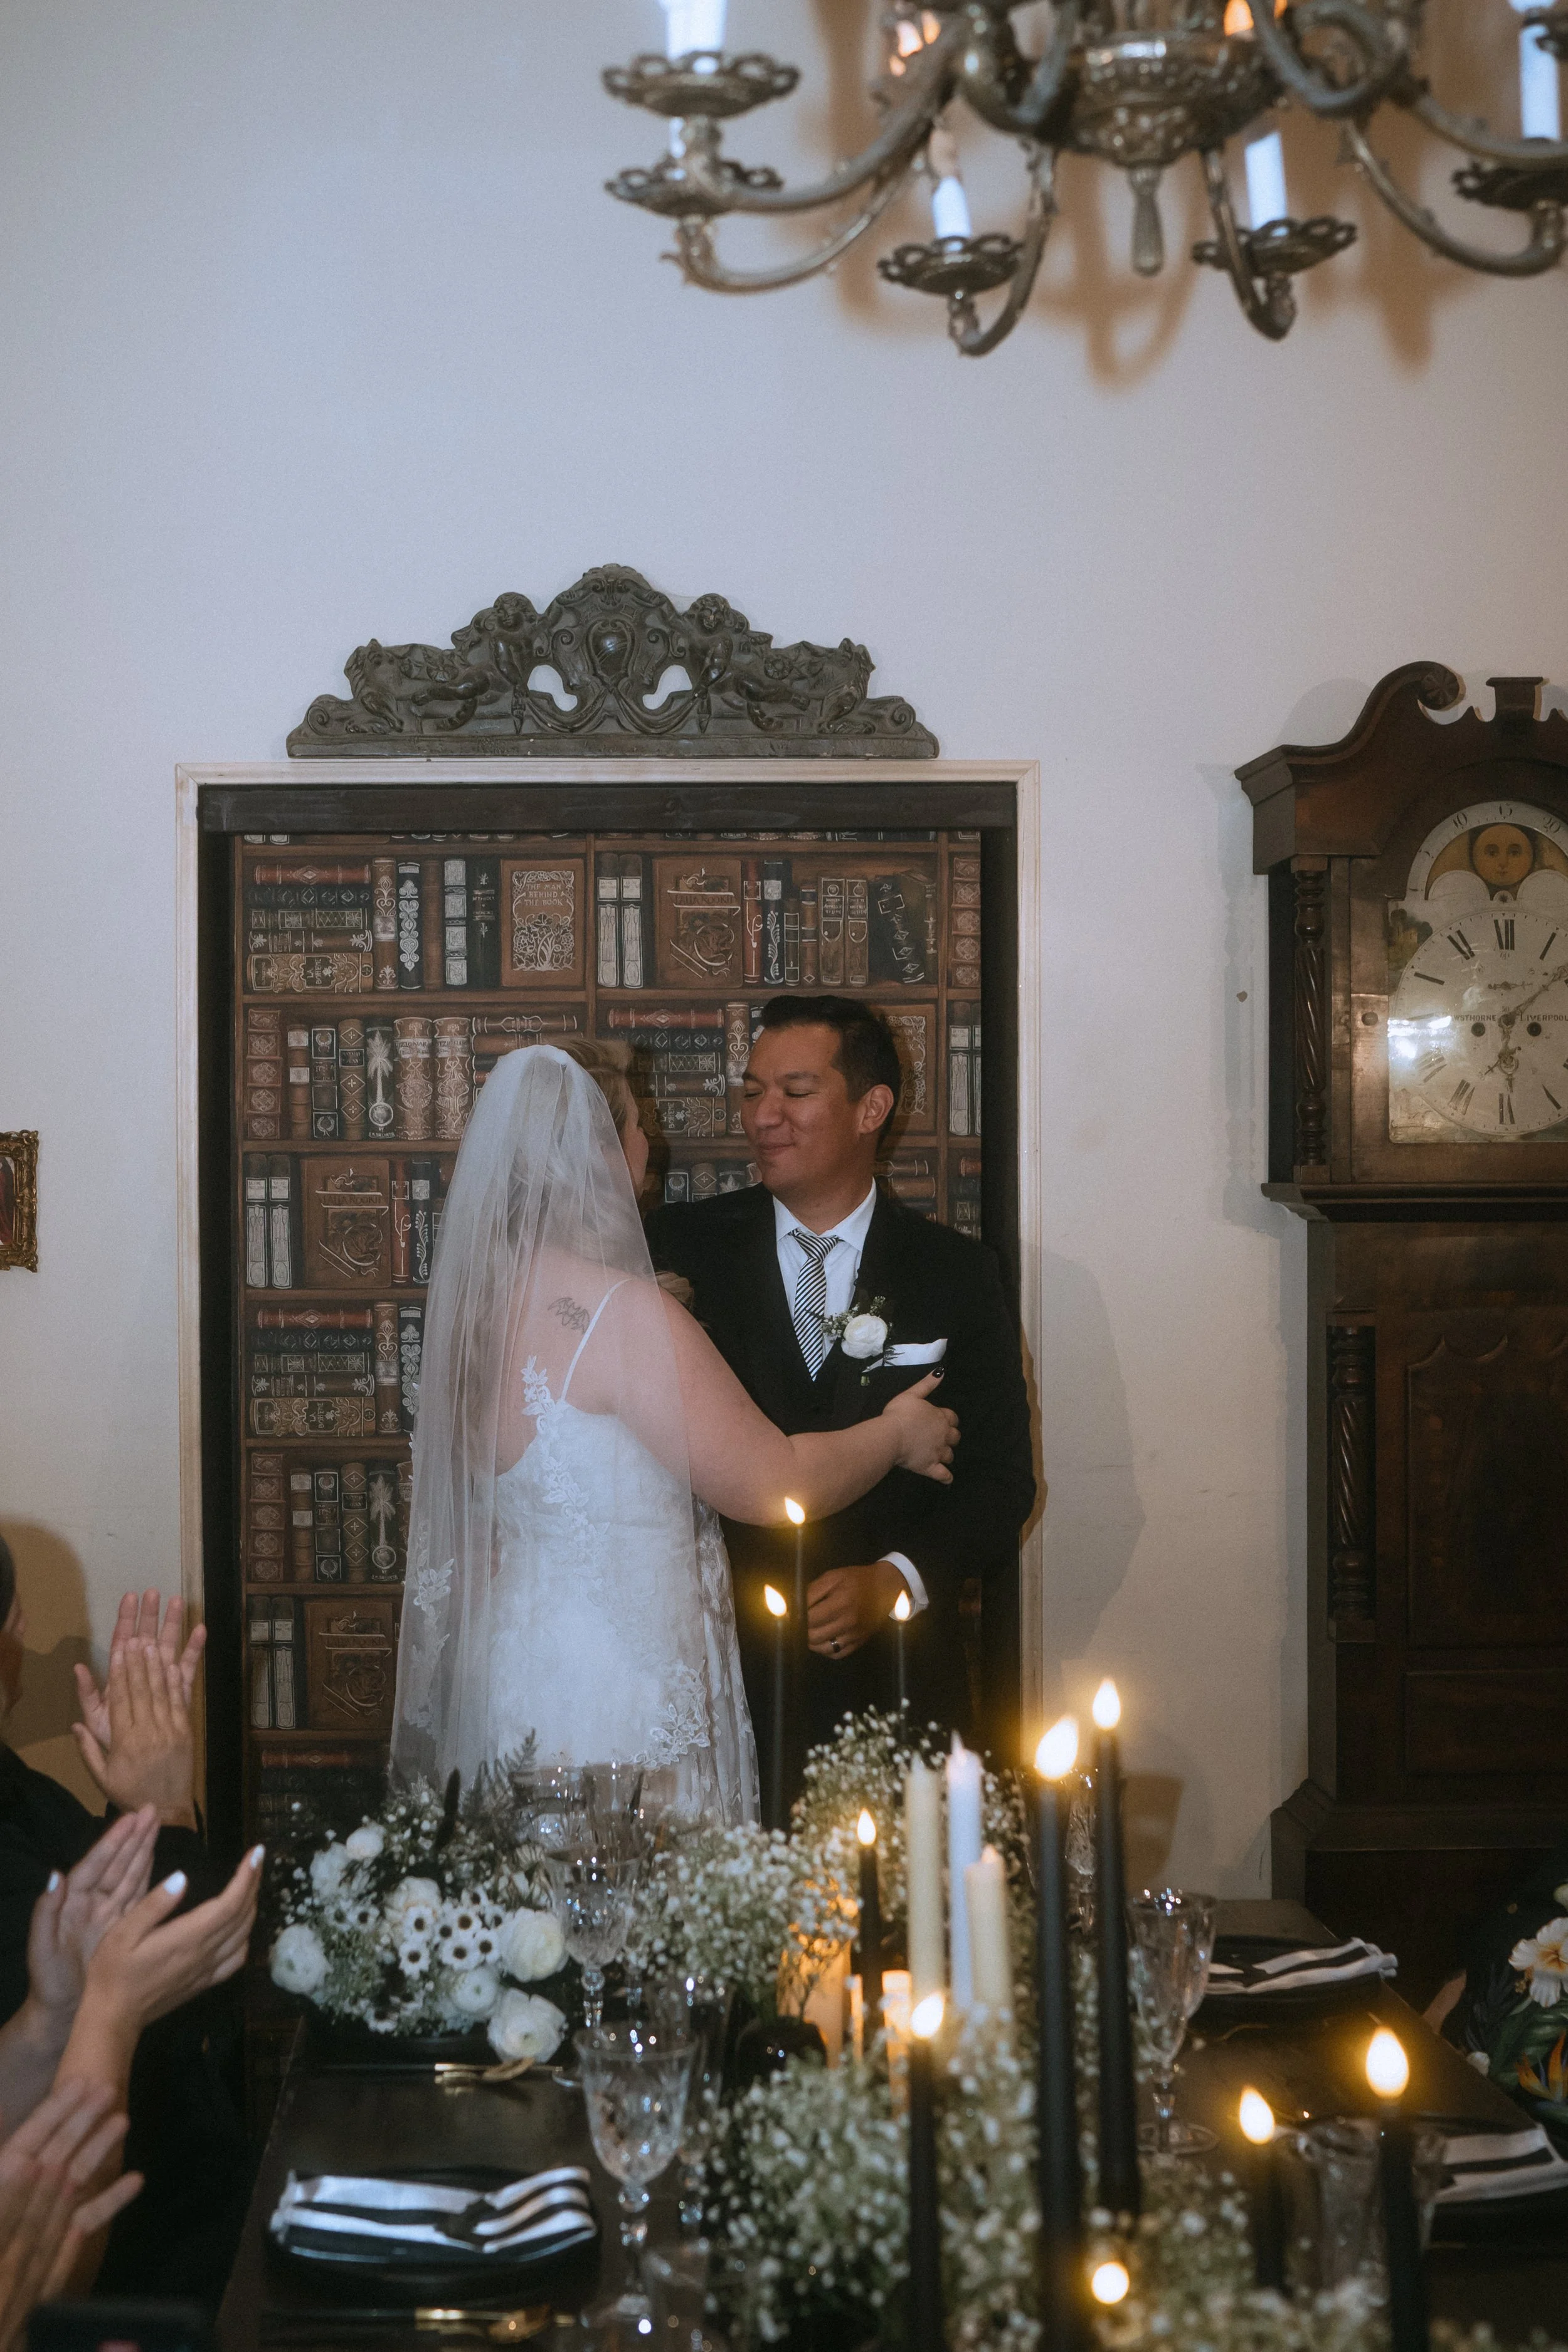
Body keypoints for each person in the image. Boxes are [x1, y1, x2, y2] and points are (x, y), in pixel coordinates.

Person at [389, 1041, 960, 1820]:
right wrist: (898, 1436)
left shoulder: (474, 1318)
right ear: (598, 1150)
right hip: (617, 1689)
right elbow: (773, 1481)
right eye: (634, 1125)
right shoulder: (620, 1318)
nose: (647, 1146)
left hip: (513, 1671)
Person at [645, 996, 1036, 1754]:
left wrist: (897, 1579)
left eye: (795, 1092)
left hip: (892, 1680)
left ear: (872, 1108)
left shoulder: (954, 1273)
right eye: (752, 1091)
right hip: (714, 1674)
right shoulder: (679, 1248)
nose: (763, 1116)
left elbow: (1002, 1481)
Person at [0, 1544, 253, 2298]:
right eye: (15, 1627)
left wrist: (147, 1809)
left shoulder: (20, 1788)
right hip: (127, 2267)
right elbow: (183, 1992)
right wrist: (164, 1811)